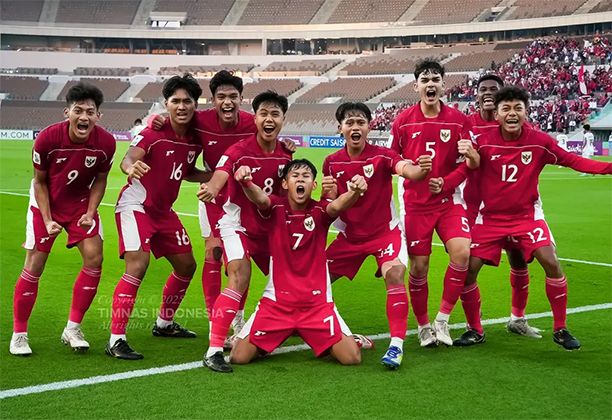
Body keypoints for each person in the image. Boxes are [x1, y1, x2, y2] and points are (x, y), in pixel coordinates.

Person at [449, 86, 611, 349]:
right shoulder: (483, 141)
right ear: (497, 115)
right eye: (506, 109)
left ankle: (560, 328)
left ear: (526, 113)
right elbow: (464, 167)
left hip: (526, 216)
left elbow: (574, 161)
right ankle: (475, 329)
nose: (512, 113)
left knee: (551, 262)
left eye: (518, 108)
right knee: (468, 271)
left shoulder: (539, 141)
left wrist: (609, 168)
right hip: (489, 219)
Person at [150, 71, 295, 336]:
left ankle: (237, 319)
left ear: (241, 99)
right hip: (214, 198)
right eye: (221, 97)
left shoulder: (253, 121)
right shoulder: (200, 120)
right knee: (214, 253)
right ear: (213, 100)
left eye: (233, 96)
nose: (227, 102)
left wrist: (285, 143)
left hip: (243, 199)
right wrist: (154, 119)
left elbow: (272, 136)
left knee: (240, 259)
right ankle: (213, 321)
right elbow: (174, 119)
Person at [107, 74, 211, 360]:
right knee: (138, 265)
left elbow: (187, 171)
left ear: (195, 104)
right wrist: (130, 167)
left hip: (164, 212)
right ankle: (116, 339)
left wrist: (216, 176)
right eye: (175, 101)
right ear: (166, 104)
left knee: (187, 266)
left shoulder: (195, 139)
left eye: (187, 101)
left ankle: (164, 323)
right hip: (136, 206)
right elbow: (129, 158)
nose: (181, 106)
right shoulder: (153, 132)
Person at [321, 102, 432, 369]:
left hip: (385, 233)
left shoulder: (383, 155)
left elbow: (406, 169)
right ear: (340, 128)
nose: (355, 127)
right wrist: (327, 193)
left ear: (369, 127)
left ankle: (396, 345)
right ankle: (329, 330)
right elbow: (331, 204)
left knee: (394, 274)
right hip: (350, 237)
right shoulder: (331, 162)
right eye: (349, 122)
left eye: (361, 122)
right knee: (315, 280)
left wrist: (421, 170)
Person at [10, 83, 116, 356]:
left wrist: (91, 212)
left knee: (94, 257)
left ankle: (73, 328)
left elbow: (100, 180)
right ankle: (19, 334)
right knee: (35, 263)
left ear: (98, 115)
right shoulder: (47, 139)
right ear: (67, 112)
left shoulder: (106, 143)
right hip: (46, 201)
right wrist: (47, 220)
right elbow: (39, 182)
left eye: (90, 112)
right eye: (78, 110)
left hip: (79, 203)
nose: (84, 117)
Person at [230, 159, 367, 370]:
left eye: (306, 177)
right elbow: (261, 199)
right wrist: (246, 183)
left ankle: (350, 338)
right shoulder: (275, 207)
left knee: (352, 358)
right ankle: (281, 333)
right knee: (238, 357)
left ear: (314, 185)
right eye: (295, 176)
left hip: (316, 304)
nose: (300, 180)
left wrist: (354, 192)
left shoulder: (320, 211)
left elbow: (337, 205)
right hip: (277, 304)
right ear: (285, 184)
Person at [435, 74, 541, 339]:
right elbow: (457, 161)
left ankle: (518, 319)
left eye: (494, 89)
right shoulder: (467, 124)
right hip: (477, 208)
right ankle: (474, 325)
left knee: (518, 258)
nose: (489, 93)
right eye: (483, 89)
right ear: (477, 95)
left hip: (514, 207)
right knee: (469, 265)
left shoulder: (517, 123)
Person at [197, 91, 294, 372]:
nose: (269, 119)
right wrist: (212, 188)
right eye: (263, 113)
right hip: (236, 225)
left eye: (275, 114)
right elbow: (220, 173)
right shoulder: (238, 151)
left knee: (286, 283)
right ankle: (214, 349)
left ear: (283, 119)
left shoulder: (285, 154)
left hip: (269, 229)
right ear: (255, 118)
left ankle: (262, 329)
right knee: (239, 275)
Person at [389, 60, 480, 347]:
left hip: (449, 200)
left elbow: (468, 163)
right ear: (416, 86)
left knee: (462, 252)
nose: (430, 84)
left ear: (443, 84)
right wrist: (411, 170)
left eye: (435, 79)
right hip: (415, 204)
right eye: (425, 80)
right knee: (419, 267)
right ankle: (423, 326)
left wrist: (447, 182)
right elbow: (392, 159)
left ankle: (442, 320)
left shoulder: (459, 120)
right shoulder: (403, 121)